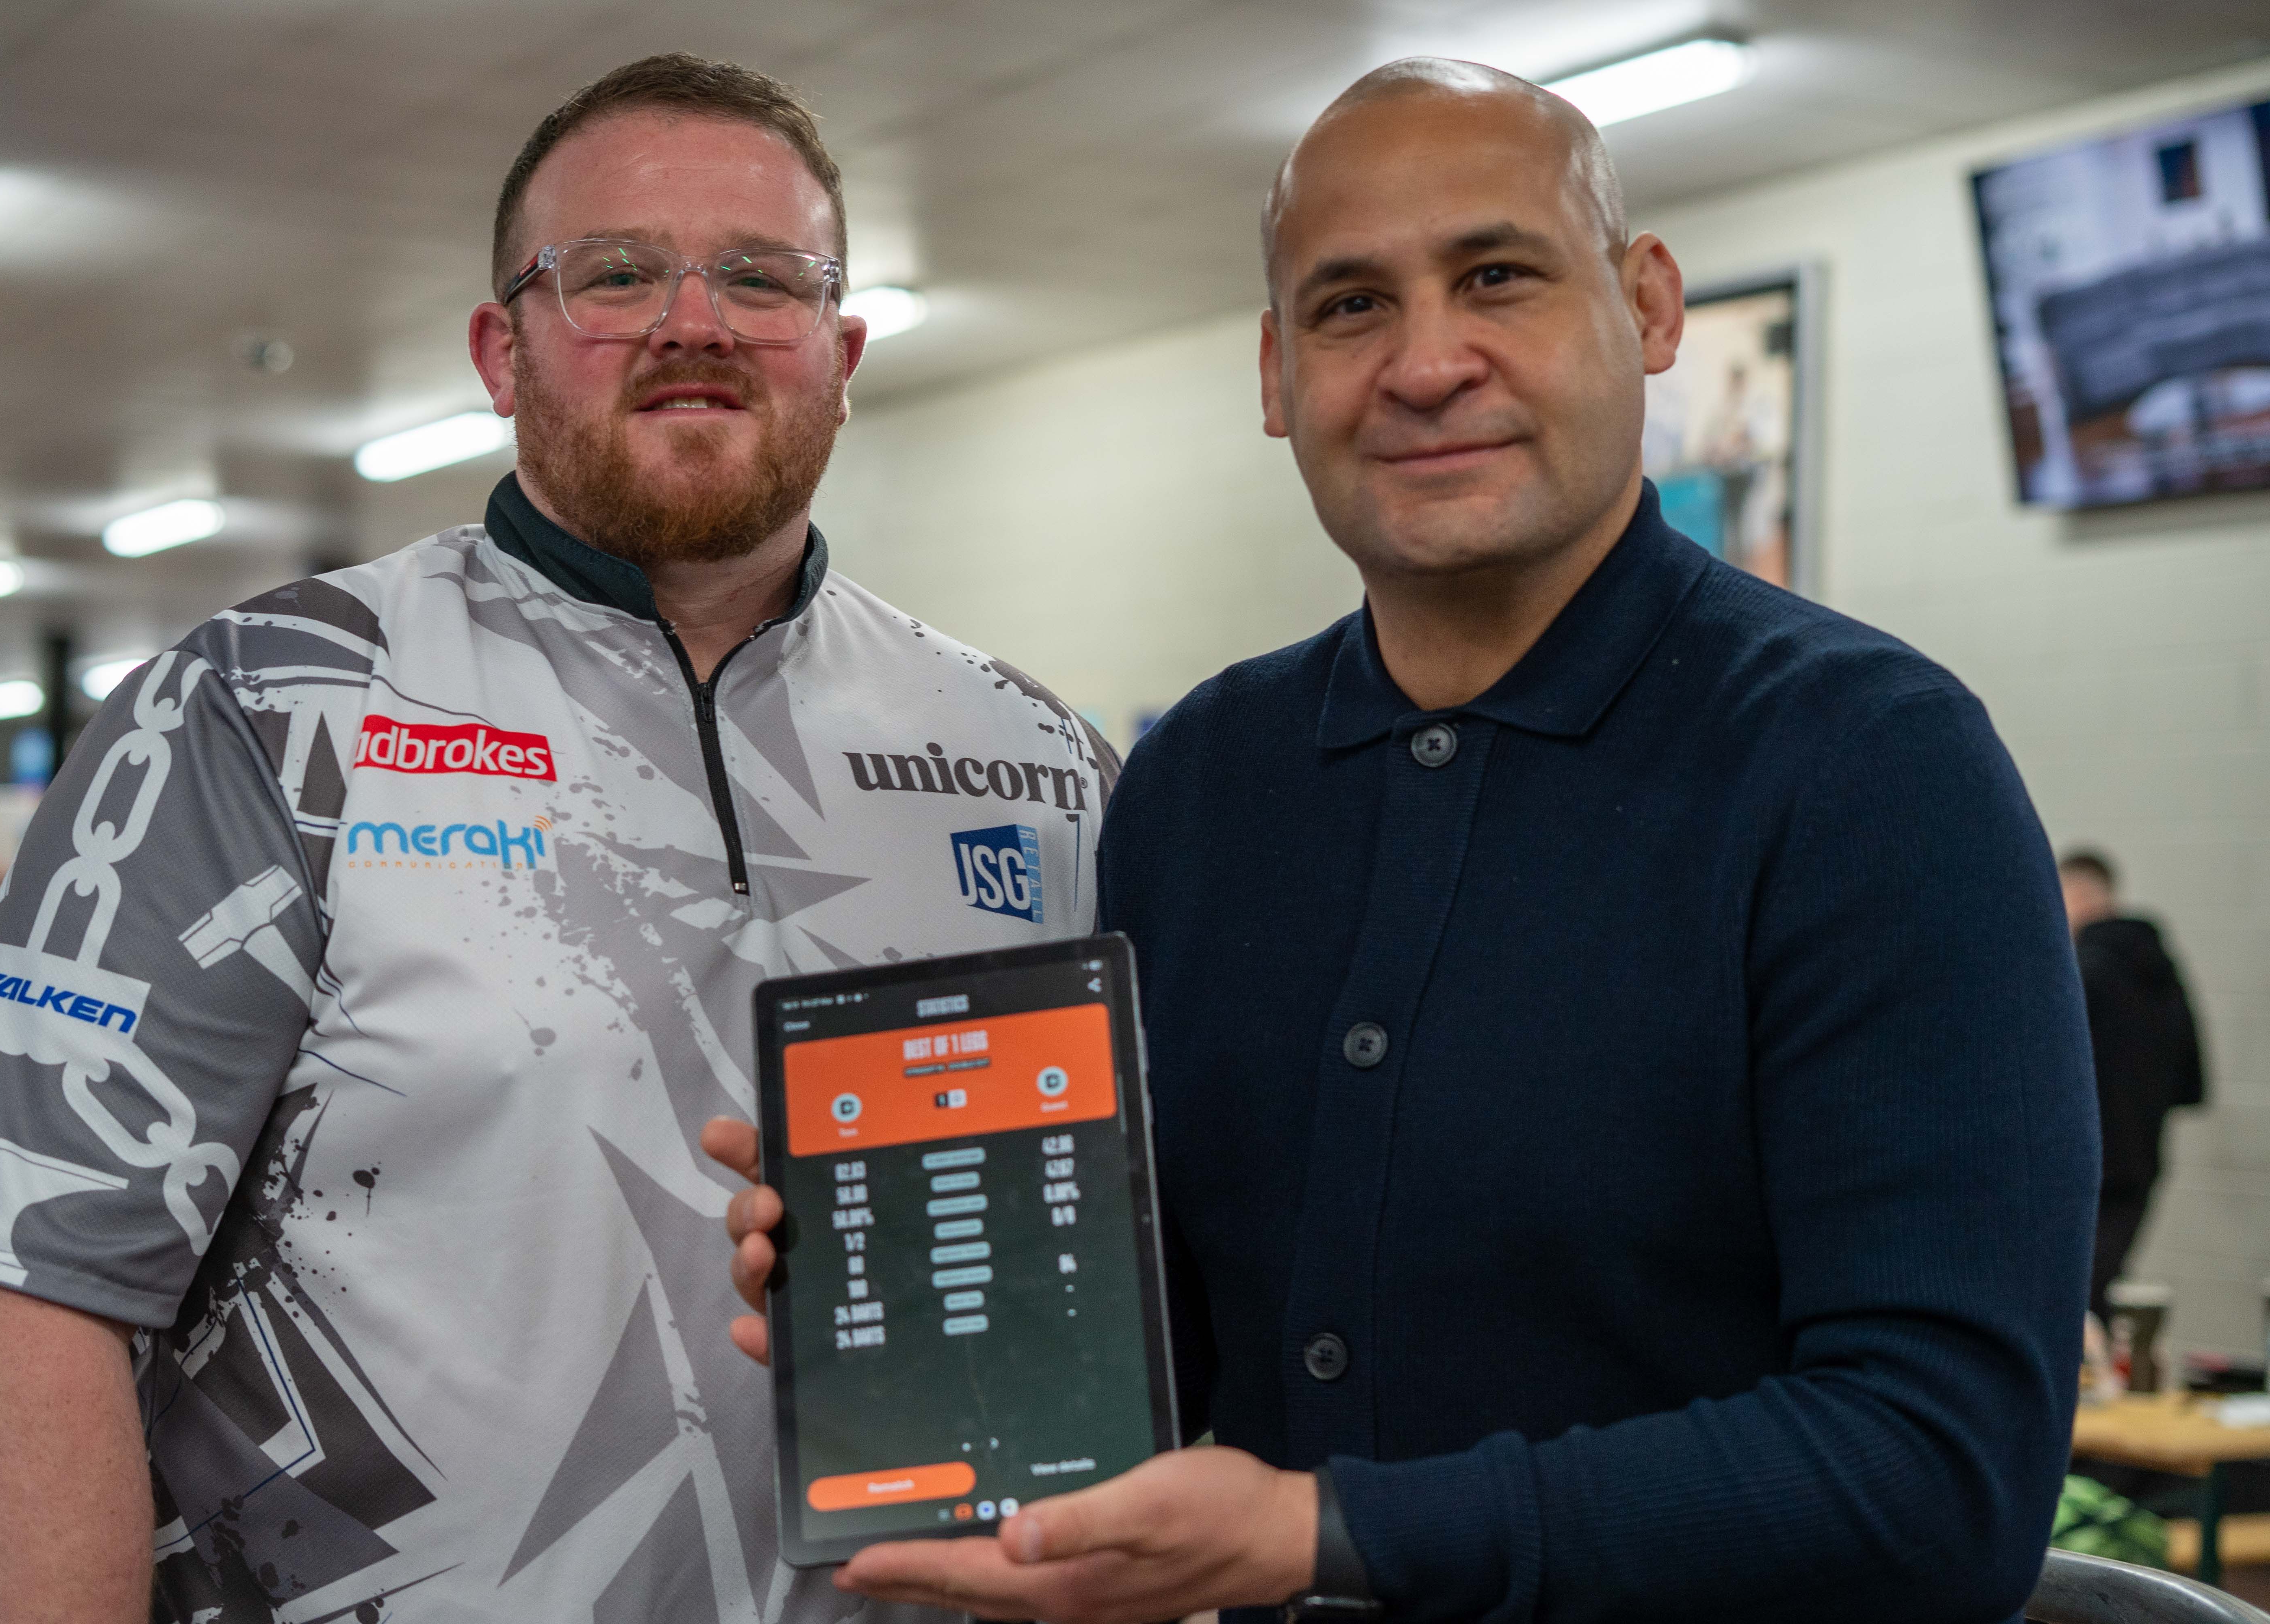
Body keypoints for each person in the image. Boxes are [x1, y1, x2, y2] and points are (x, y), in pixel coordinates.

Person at [716, 59, 2097, 1623]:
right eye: (1350, 305)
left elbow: (1942, 1480)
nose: (1427, 362)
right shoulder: (1199, 783)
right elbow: (1153, 1354)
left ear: (1646, 308)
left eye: (1496, 276)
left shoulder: (1867, 767)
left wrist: (1328, 1532)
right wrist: (912, 1282)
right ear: (1271, 372)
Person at [0, 53, 1113, 1624]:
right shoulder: (264, 706)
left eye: (763, 276)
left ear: (842, 348)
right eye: (613, 273)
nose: (695, 319)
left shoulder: (1033, 759)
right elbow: (21, 1280)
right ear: (502, 346)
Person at [2058, 848, 2205, 1315]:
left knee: (2069, 1301)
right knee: (2097, 1292)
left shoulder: (2081, 972)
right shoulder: (2159, 969)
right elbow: (2192, 1082)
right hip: (2141, 1162)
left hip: (2084, 1162)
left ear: (2082, 895)